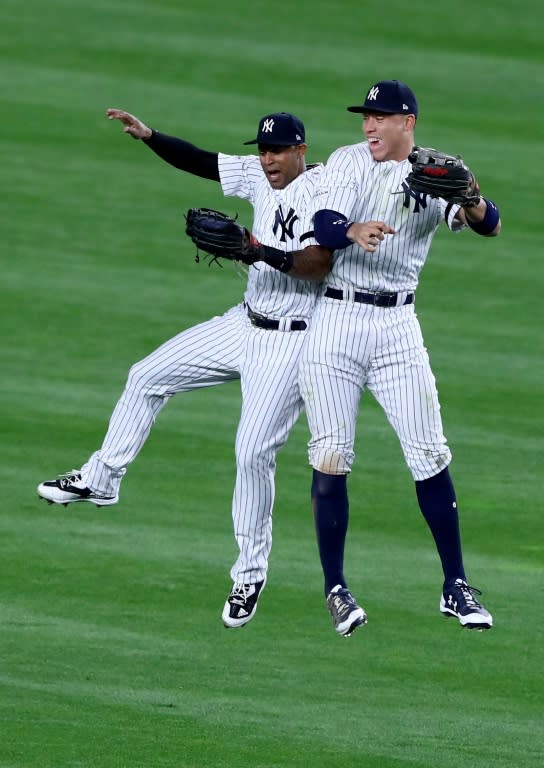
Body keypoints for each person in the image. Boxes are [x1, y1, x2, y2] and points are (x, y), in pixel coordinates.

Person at [37, 109, 332, 629]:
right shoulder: (256, 174)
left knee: (252, 453)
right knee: (145, 376)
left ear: (300, 150)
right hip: (244, 324)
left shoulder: (326, 190)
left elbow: (318, 267)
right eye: (263, 151)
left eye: (277, 152)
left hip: (293, 345)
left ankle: (249, 574)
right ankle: (102, 479)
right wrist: (150, 137)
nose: (268, 161)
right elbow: (201, 162)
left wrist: (256, 250)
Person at [298, 79, 501, 636]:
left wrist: (473, 197)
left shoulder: (435, 172)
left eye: (380, 117)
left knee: (429, 451)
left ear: (407, 123)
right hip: (336, 323)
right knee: (331, 453)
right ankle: (336, 588)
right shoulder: (345, 162)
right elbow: (322, 224)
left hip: (397, 328)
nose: (368, 126)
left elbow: (490, 223)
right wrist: (352, 229)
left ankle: (455, 586)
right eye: (365, 116)